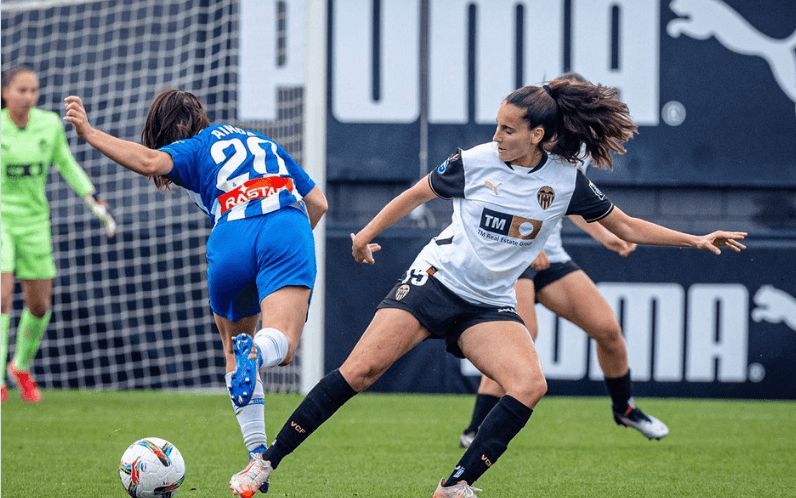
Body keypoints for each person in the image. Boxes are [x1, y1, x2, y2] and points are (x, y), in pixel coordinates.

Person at [230, 78, 746, 497]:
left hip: (490, 303)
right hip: (437, 282)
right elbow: (414, 195)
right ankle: (264, 463)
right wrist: (364, 235)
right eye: (496, 125)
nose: (497, 136)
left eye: (508, 129)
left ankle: (454, 486)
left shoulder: (566, 181)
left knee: (530, 384)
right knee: (359, 371)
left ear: (540, 136)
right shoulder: (474, 161)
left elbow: (627, 226)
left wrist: (696, 240)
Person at [62, 90, 328, 495]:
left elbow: (150, 161)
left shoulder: (195, 147)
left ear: (164, 131)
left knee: (232, 345)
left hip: (230, 234)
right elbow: (319, 203)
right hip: (285, 224)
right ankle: (257, 353)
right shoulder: (263, 142)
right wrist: (284, 258)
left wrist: (90, 133)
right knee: (283, 343)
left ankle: (257, 456)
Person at [459, 72, 667, 447]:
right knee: (522, 335)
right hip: (515, 256)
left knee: (607, 330)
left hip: (550, 256)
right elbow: (503, 199)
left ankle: (625, 408)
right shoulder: (526, 138)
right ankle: (475, 428)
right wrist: (528, 245)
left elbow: (567, 203)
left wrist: (605, 235)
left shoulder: (570, 150)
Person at [1, 66, 116, 403]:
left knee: (39, 305)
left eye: (33, 90)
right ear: (6, 92)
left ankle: (19, 366)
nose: (27, 96)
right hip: (3, 219)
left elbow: (66, 164)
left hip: (35, 222)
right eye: (21, 90)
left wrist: (93, 200)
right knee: (3, 295)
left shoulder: (48, 125)